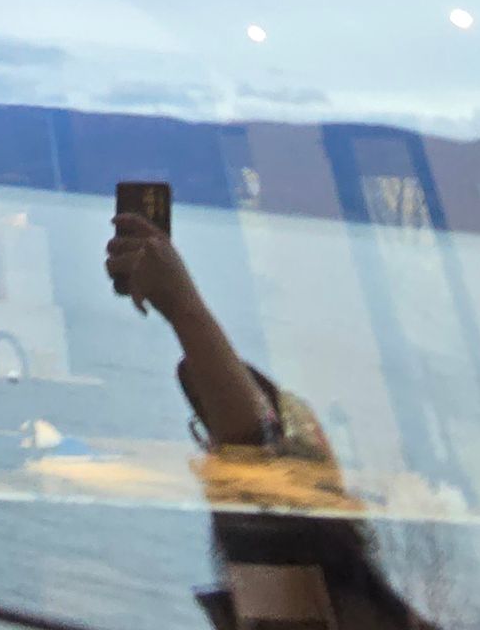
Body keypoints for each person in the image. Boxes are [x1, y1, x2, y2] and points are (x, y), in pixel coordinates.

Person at [107, 210, 439, 630]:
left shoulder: (302, 598)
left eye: (215, 445)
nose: (210, 462)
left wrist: (183, 308)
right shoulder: (338, 600)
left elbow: (253, 449)